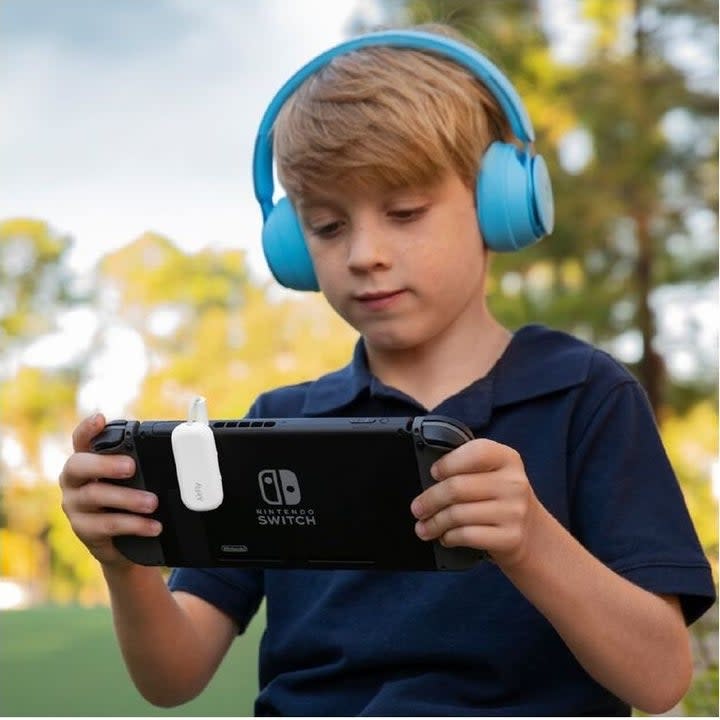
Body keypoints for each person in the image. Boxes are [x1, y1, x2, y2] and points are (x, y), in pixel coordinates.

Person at [59, 22, 715, 716]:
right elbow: (174, 676)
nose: (364, 253)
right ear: (291, 246)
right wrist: (124, 561)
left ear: (498, 205)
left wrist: (532, 542)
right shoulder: (275, 426)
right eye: (327, 226)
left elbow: (661, 677)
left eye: (404, 212)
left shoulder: (586, 397)